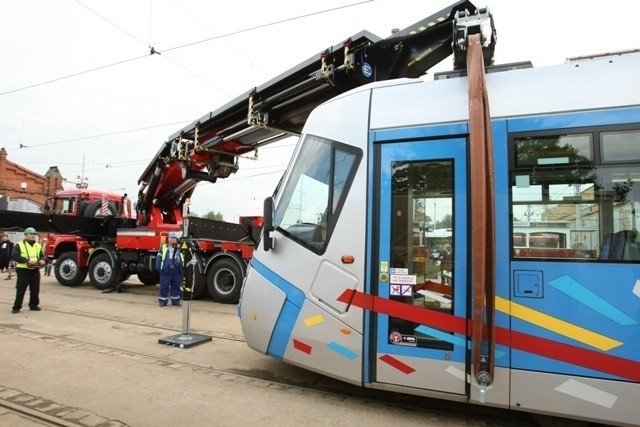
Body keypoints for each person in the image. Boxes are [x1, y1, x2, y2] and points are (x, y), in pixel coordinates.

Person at [11, 227, 45, 313]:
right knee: (21, 289)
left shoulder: (38, 245)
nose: (33, 236)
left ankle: (33, 305)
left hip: (35, 270)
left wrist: (42, 260)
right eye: (30, 234)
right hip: (23, 270)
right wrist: (27, 261)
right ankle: (16, 307)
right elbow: (15, 255)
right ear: (25, 235)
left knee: (35, 289)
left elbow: (41, 255)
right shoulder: (19, 244)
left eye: (34, 234)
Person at [155, 231, 184, 307]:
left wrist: (181, 267)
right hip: (166, 270)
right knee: (164, 286)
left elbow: (181, 258)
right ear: (169, 239)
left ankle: (175, 301)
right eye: (173, 238)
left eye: (175, 238)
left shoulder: (178, 248)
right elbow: (159, 259)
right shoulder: (163, 248)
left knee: (176, 286)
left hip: (176, 270)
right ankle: (163, 302)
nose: (174, 240)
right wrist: (159, 268)